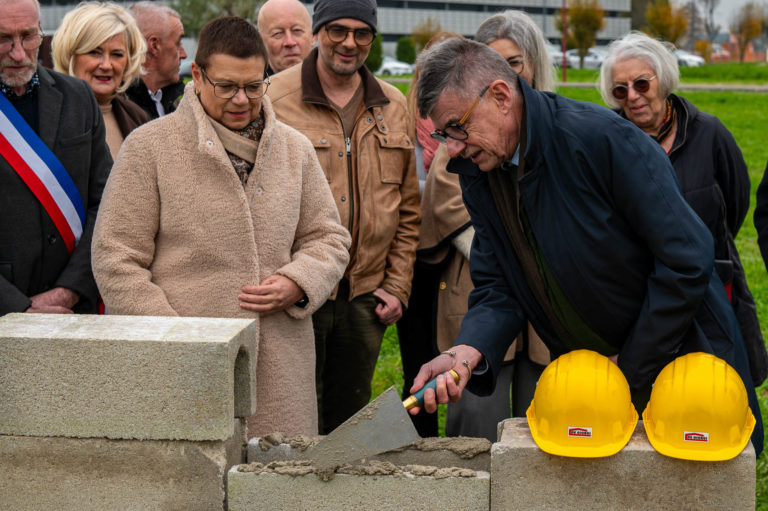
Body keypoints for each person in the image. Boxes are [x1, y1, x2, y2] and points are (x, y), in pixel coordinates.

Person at [408, 38, 762, 456]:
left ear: (501, 96)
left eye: (456, 127)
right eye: (442, 133)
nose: (452, 147)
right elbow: (499, 282)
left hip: (683, 365)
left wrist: (628, 368)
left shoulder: (602, 139)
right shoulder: (480, 167)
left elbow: (686, 259)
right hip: (596, 377)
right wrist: (467, 351)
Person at [91, 16, 351, 437]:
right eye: (226, 86)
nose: (241, 100)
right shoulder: (149, 148)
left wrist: (299, 282)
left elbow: (329, 237)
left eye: (253, 85)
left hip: (281, 372)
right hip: (183, 371)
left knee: (276, 489)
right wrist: (177, 337)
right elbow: (115, 258)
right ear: (197, 74)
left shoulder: (294, 148)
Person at [267, 0, 420, 434]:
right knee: (290, 418)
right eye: (337, 30)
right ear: (317, 31)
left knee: (347, 421)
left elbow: (409, 208)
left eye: (361, 33)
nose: (349, 43)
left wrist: (397, 284)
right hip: (298, 295)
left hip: (365, 299)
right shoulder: (274, 98)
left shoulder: (392, 104)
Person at [601, 32, 767, 387]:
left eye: (642, 83)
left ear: (663, 78)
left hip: (713, 287)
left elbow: (734, 203)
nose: (632, 96)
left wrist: (700, 251)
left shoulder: (709, 133)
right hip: (641, 301)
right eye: (620, 90)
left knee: (716, 394)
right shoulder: (608, 142)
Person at [431, 10, 553, 441]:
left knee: (540, 405)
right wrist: (505, 244)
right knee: (476, 413)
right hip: (479, 282)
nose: (506, 70)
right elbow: (445, 204)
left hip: (543, 292)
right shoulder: (463, 139)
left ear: (533, 64)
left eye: (515, 61)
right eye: (494, 60)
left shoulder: (555, 131)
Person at [0, 0, 111, 315]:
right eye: (3, 38)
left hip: (76, 308)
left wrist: (70, 290)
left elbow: (106, 202)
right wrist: (17, 307)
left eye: (28, 36)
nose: (18, 53)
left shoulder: (78, 96)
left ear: (41, 32)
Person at [52, 1, 149, 161]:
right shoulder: (48, 112)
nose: (106, 65)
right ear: (70, 56)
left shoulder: (137, 117)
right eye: (94, 53)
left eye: (117, 54)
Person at [126, 1, 186, 119]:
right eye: (178, 43)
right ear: (154, 46)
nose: (184, 54)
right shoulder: (122, 110)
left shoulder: (175, 102)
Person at [257, 0, 312, 76]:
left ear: (312, 36)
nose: (290, 42)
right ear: (260, 41)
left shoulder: (330, 83)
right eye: (278, 34)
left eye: (297, 30)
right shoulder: (253, 85)